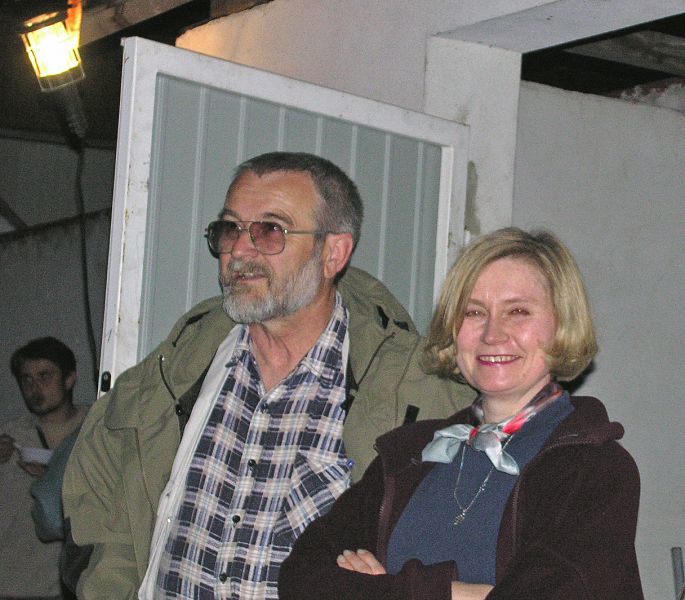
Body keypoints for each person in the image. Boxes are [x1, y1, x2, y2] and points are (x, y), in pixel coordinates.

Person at [63, 152, 475, 599]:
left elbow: (462, 538)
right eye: (230, 229)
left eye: (271, 230)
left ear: (333, 253)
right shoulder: (181, 364)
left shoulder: (415, 394)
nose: (239, 250)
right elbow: (102, 502)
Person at [279, 227, 644, 599]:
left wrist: (377, 589)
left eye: (518, 311)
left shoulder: (595, 469)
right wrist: (456, 593)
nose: (492, 334)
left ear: (562, 325)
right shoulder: (408, 454)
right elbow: (300, 579)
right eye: (474, 312)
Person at [1, 337, 87, 599]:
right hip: (14, 585)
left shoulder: (93, 429)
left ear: (69, 379)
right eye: (26, 379)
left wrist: (55, 478)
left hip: (74, 585)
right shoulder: (12, 435)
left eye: (44, 376)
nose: (34, 387)